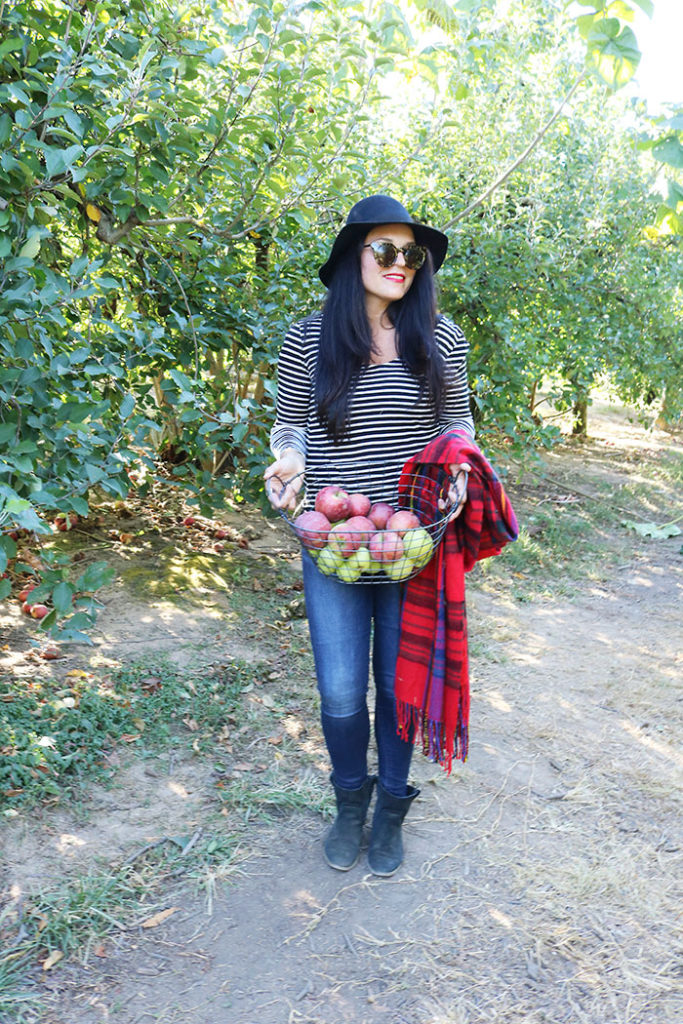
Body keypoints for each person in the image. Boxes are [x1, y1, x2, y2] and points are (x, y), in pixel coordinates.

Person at [264, 195, 475, 876]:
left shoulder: (440, 339)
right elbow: (289, 426)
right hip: (334, 542)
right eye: (384, 250)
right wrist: (289, 463)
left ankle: (390, 808)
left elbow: (457, 427)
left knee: (398, 686)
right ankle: (348, 801)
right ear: (352, 257)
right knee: (338, 689)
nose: (399, 264)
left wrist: (461, 472)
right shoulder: (307, 339)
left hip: (412, 541)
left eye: (411, 254)